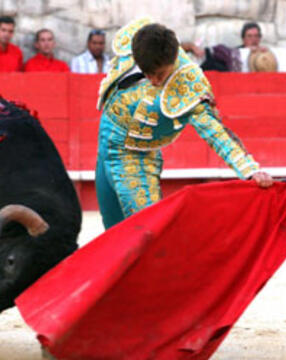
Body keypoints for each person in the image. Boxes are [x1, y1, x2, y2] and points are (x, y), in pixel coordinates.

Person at [95, 18, 273, 229]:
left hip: (135, 157)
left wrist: (250, 170)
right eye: (147, 73)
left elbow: (215, 131)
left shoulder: (188, 83)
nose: (154, 81)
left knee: (147, 234)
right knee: (112, 236)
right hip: (103, 145)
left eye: (160, 74)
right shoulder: (140, 39)